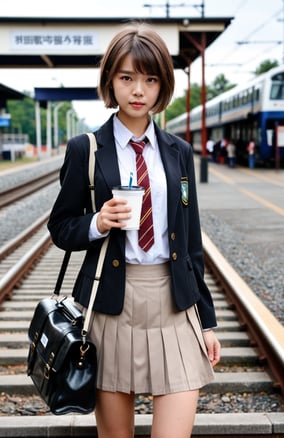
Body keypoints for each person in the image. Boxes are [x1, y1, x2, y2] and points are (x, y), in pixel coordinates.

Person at [47, 22, 221, 438]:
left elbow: (191, 240)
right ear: (111, 81)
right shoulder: (85, 149)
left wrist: (208, 322)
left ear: (163, 86)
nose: (138, 90)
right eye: (127, 78)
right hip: (110, 305)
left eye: (150, 79)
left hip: (174, 304)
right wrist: (96, 222)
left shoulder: (178, 153)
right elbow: (60, 227)